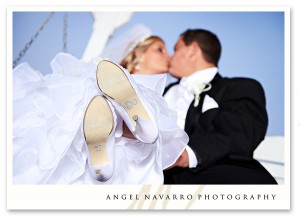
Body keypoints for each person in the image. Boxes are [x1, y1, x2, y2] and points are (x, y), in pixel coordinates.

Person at [13, 24, 188, 184]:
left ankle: (111, 136)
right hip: (123, 155)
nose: (168, 56)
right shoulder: (103, 77)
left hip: (107, 150)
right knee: (97, 97)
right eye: (160, 49)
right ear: (138, 53)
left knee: (100, 98)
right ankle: (139, 125)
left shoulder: (166, 93)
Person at [163, 29, 277, 184]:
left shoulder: (239, 87)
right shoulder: (162, 92)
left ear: (192, 51)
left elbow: (238, 135)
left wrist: (186, 153)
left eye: (176, 49)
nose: (170, 57)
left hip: (216, 176)